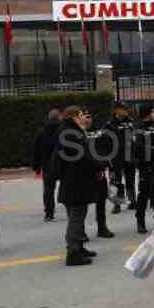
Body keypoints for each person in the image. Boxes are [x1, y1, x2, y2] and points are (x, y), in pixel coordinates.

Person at [54, 106, 104, 266]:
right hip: (74, 181)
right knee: (75, 217)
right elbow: (82, 157)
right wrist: (99, 165)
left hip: (75, 180)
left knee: (78, 215)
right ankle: (73, 253)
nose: (84, 117)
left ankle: (79, 247)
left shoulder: (71, 130)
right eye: (82, 114)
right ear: (75, 116)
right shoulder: (69, 132)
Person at [131, 104, 154, 234]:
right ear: (148, 112)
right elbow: (137, 147)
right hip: (146, 165)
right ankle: (140, 221)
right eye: (152, 111)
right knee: (144, 194)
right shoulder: (138, 128)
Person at [103, 102, 136, 213]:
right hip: (115, 157)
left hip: (129, 155)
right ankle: (117, 203)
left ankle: (132, 200)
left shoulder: (130, 122)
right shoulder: (109, 124)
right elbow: (105, 143)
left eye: (126, 109)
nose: (126, 111)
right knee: (115, 181)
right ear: (116, 110)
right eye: (124, 109)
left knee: (130, 179)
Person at [33, 107, 62, 222]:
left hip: (47, 165)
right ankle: (71, 208)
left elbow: (36, 150)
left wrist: (36, 166)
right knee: (66, 185)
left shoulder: (41, 131)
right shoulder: (63, 130)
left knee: (48, 190)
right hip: (61, 164)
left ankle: (49, 213)